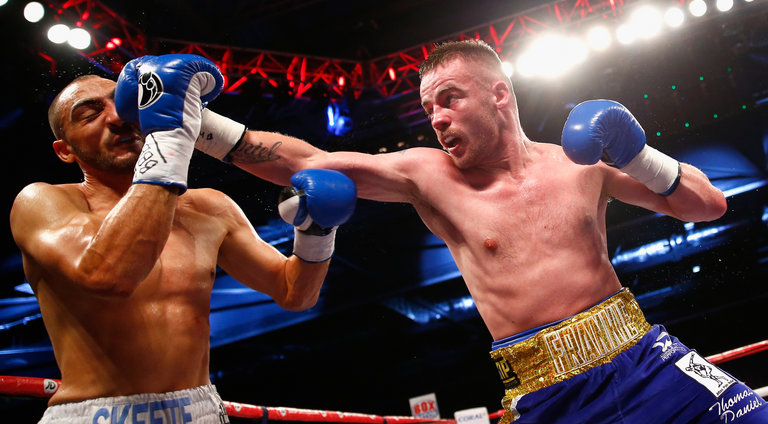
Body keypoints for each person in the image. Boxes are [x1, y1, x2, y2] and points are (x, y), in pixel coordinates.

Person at [185, 39, 768, 423]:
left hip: (644, 358)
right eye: (428, 108)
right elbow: (303, 163)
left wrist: (639, 154)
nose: (436, 118)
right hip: (549, 393)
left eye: (449, 100)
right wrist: (199, 122)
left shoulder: (580, 161)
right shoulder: (427, 175)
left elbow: (708, 205)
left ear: (499, 96)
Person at [9, 55, 357, 424]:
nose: (116, 116)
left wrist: (317, 232)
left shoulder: (209, 208)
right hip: (99, 413)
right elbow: (109, 275)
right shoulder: (43, 203)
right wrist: (170, 140)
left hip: (201, 408)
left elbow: (295, 293)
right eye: (90, 113)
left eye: (124, 101)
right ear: (65, 150)